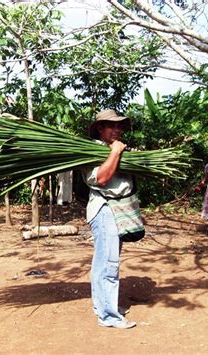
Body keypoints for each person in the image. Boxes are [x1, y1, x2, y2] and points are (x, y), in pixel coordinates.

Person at [82, 109, 137, 329]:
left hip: (117, 210)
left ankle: (103, 305)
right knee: (109, 264)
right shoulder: (90, 151)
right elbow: (102, 178)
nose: (117, 130)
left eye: (119, 126)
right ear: (99, 129)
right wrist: (115, 152)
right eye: (111, 126)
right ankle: (109, 316)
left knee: (102, 262)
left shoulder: (113, 148)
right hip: (105, 210)